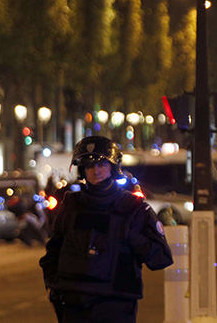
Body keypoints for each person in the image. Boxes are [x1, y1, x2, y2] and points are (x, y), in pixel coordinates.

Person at [39, 136, 173, 323]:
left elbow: (161, 258)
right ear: (82, 171)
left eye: (102, 164)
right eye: (89, 166)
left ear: (113, 168)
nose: (96, 171)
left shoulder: (133, 207)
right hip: (74, 305)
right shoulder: (72, 205)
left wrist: (131, 235)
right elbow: (54, 251)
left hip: (114, 305)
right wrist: (53, 288)